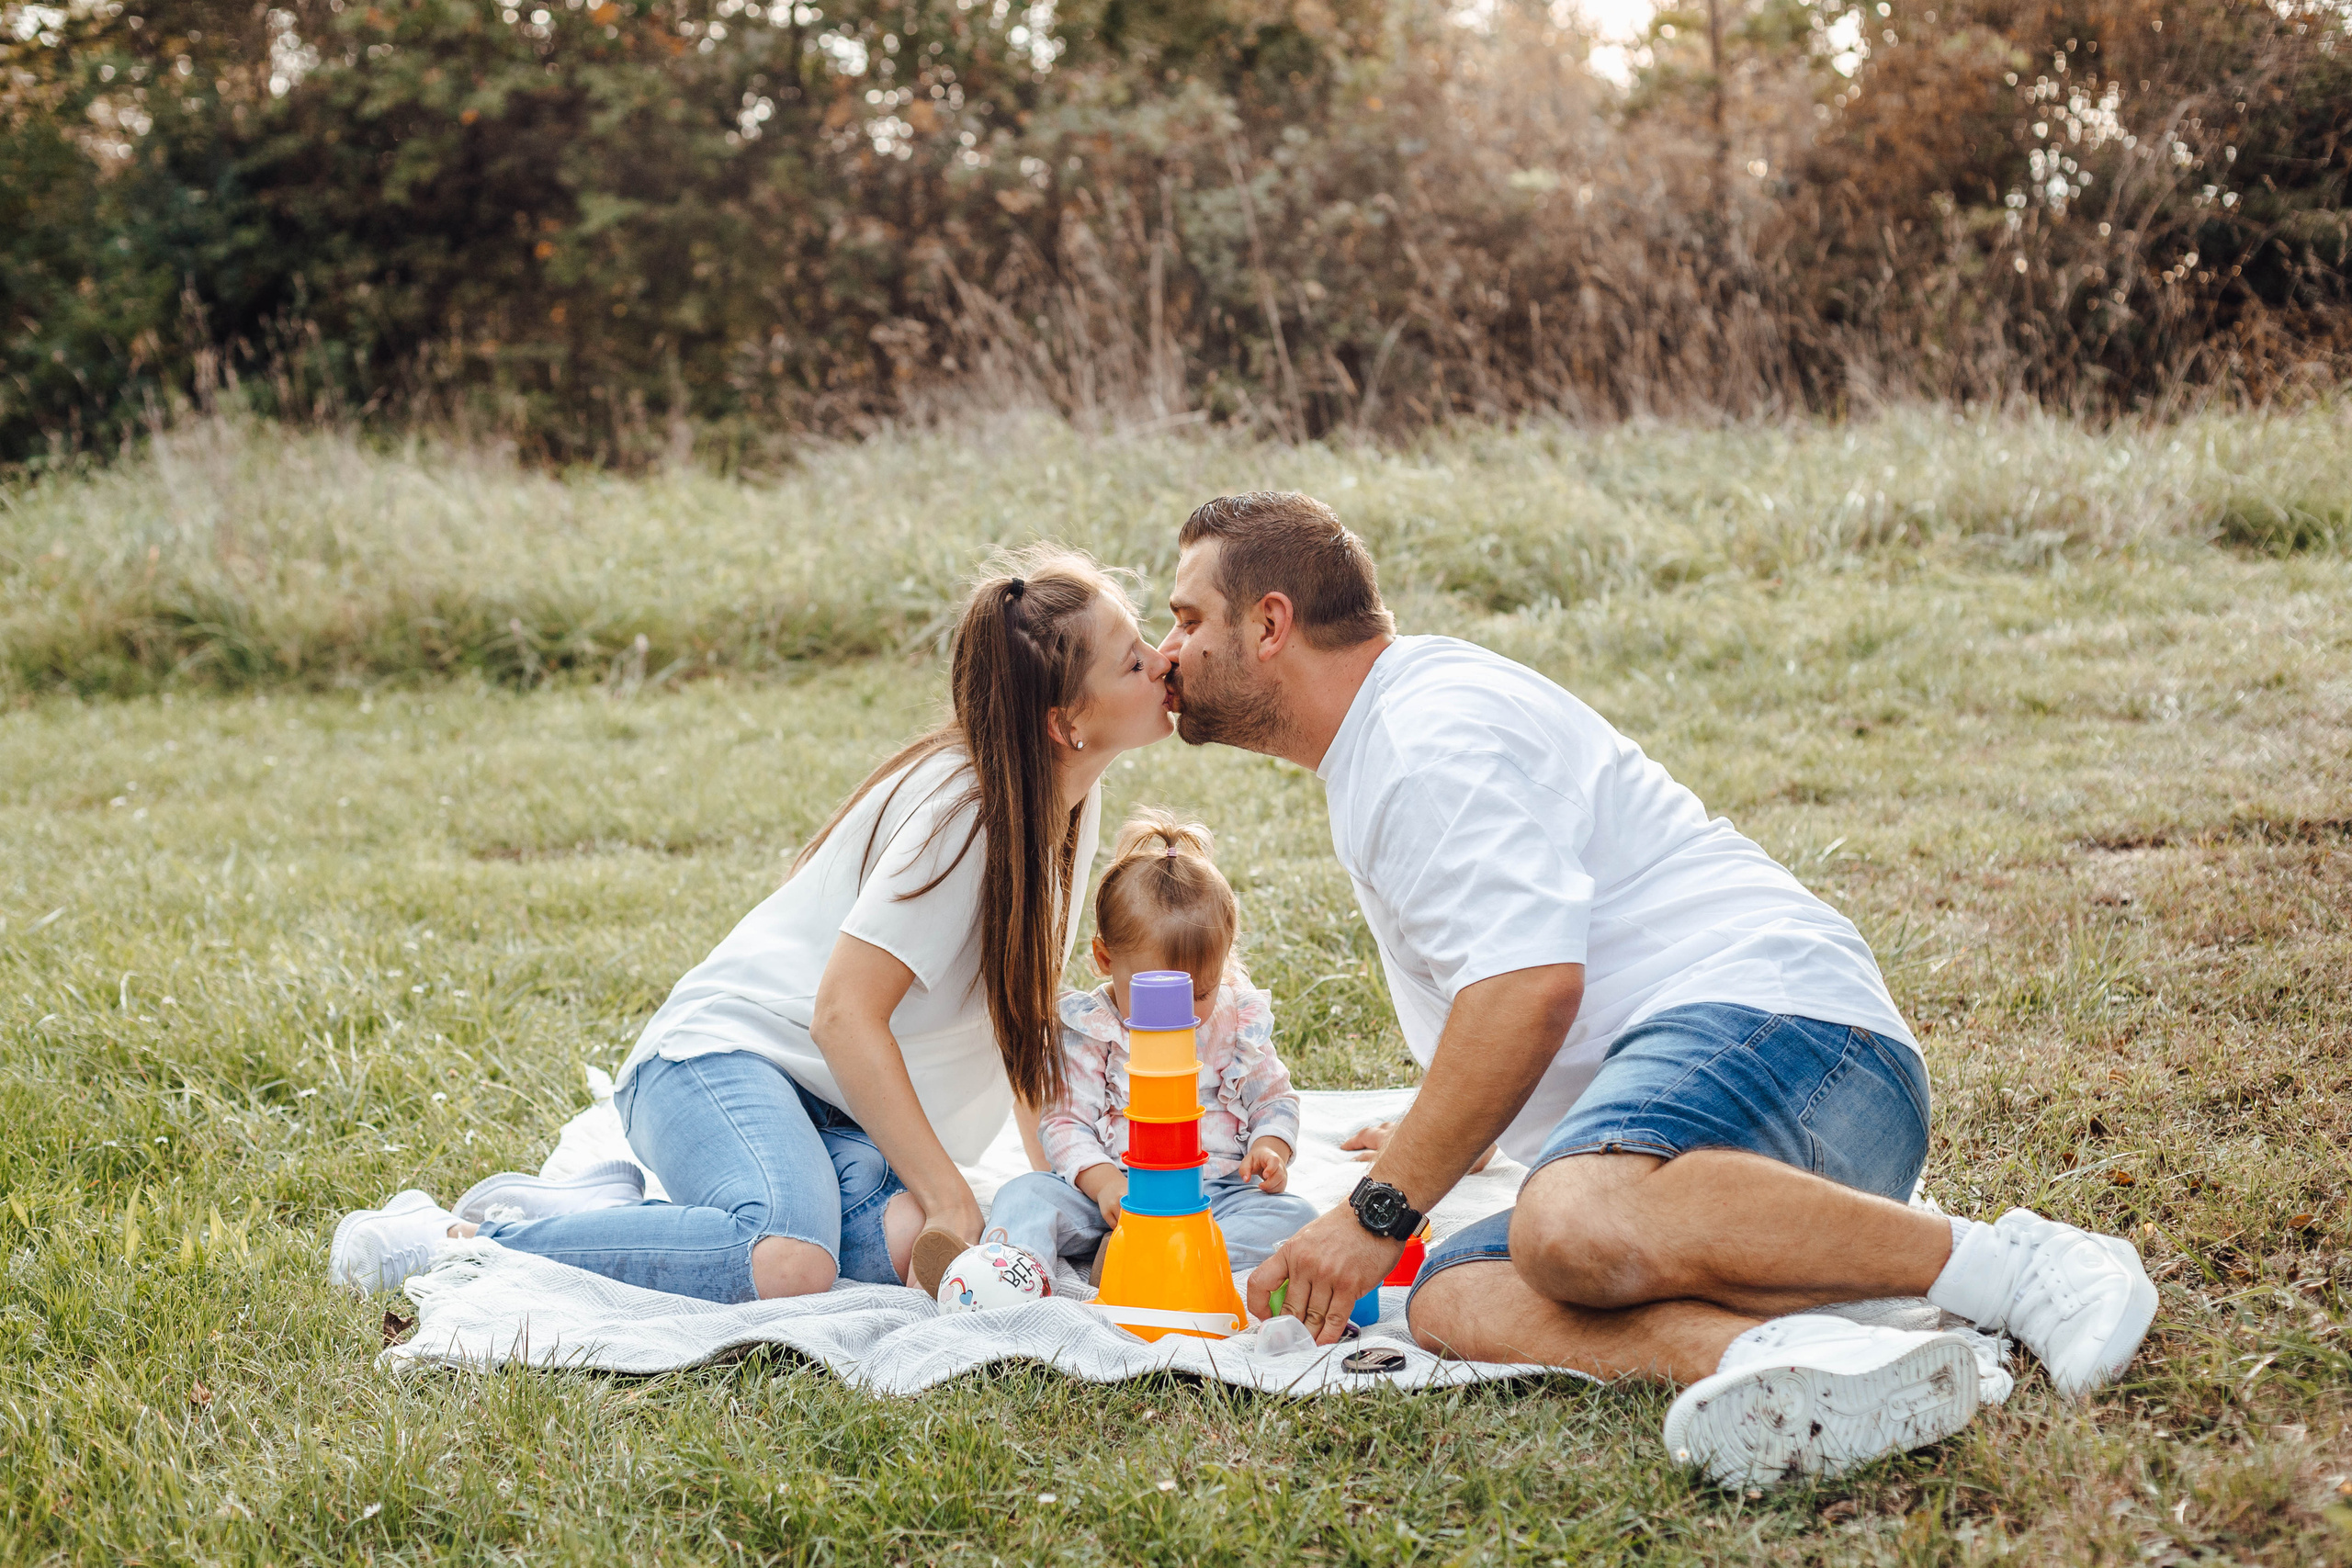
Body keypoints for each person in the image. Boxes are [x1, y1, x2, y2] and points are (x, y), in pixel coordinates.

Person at [1154, 491, 2157, 1486]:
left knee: (1568, 1219)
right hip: (1744, 1159)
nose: (1170, 650)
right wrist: (1438, 1128)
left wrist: (1377, 1211)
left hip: (1800, 1045)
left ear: (1271, 623)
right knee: (1456, 1299)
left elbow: (1528, 989)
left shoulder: (1423, 743)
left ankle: (2018, 1266)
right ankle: (1804, 1368)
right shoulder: (1389, 736)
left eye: (1188, 618)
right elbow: (1510, 975)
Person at [329, 547, 1179, 1303]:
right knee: (787, 1259)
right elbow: (843, 1015)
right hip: (717, 1062)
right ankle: (460, 1242)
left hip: (831, 1114)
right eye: (1134, 659)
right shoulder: (973, 814)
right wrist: (956, 1200)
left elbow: (1019, 1017)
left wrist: (1064, 1181)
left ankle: (614, 1212)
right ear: (1065, 723)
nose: (1162, 662)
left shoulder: (1068, 795)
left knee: (899, 1240)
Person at [973, 809, 1314, 1283]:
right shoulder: (1095, 1028)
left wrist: (1270, 1146)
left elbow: (1274, 1098)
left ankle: (1165, 1260)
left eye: (1201, 993)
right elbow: (1065, 1122)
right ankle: (1009, 1272)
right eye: (1159, 993)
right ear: (1104, 959)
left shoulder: (1236, 1019)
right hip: (1112, 1200)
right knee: (1027, 1193)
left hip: (1211, 1199)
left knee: (1296, 1218)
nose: (1186, 1013)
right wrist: (1104, 1183)